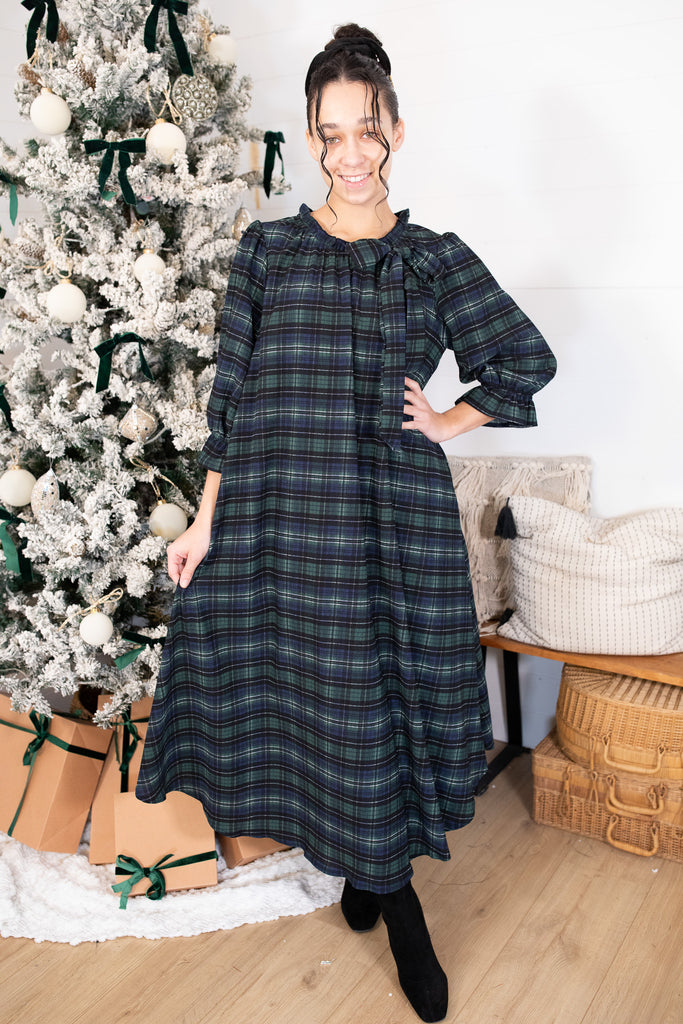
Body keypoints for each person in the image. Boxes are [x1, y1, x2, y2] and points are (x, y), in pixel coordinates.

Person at [135, 24, 556, 1023]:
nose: (348, 153)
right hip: (283, 521)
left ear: (395, 131)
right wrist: (203, 523)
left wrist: (448, 418)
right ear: (314, 137)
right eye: (330, 134)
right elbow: (231, 400)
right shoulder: (268, 250)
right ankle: (372, 876)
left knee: (375, 709)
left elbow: (523, 359)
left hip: (388, 526)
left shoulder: (431, 260)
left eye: (365, 130)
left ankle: (386, 891)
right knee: (317, 710)